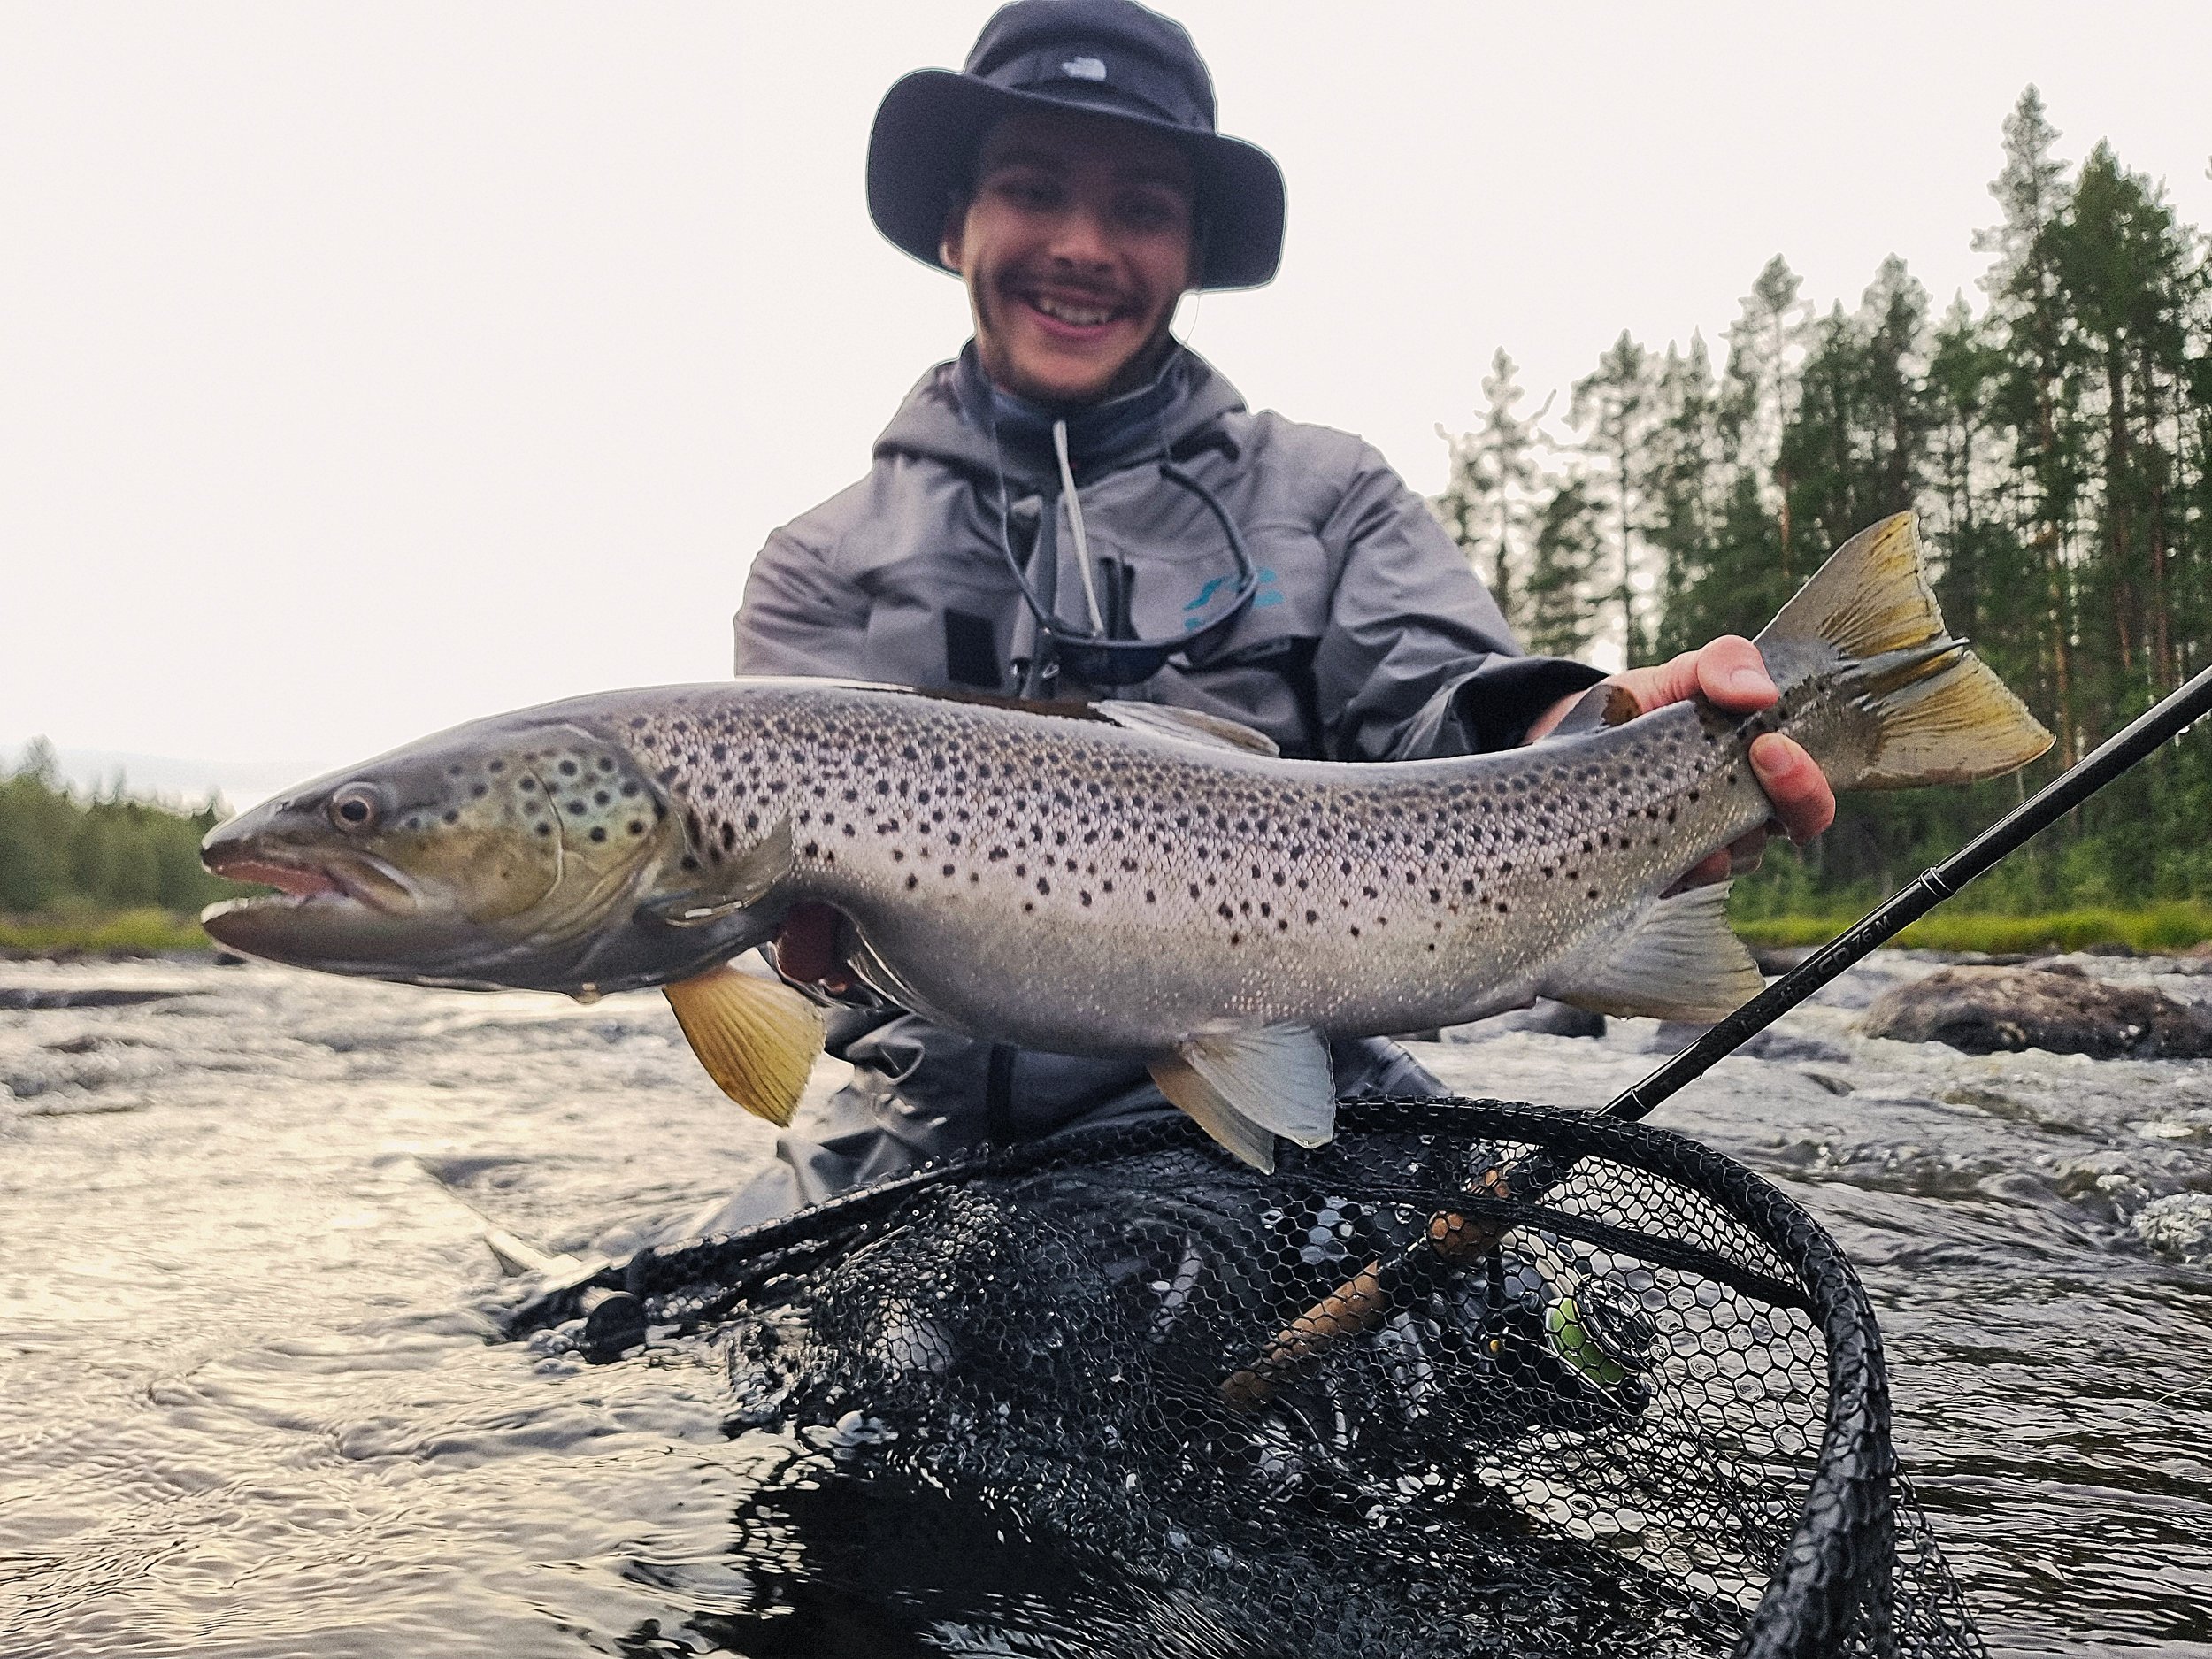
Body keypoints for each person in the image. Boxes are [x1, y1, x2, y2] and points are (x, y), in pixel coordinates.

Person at [690, 0, 1832, 1235]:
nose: (1082, 244)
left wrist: (1614, 729)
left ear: (1189, 251)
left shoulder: (1325, 493)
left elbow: (1461, 711)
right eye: (1032, 188)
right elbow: (768, 925)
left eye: (1140, 207)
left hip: (1316, 1094)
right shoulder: (817, 563)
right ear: (955, 222)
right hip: (931, 1134)